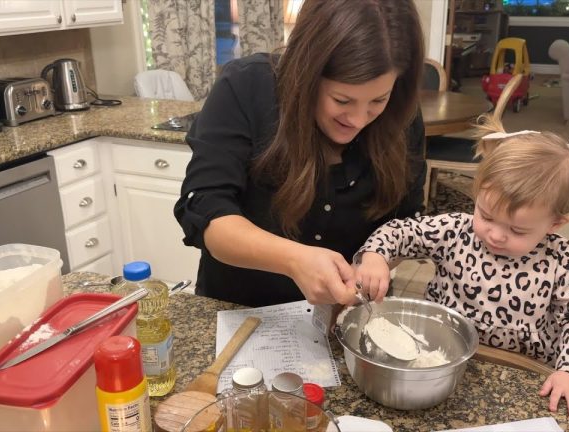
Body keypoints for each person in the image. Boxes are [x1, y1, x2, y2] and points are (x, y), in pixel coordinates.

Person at [353, 116, 569, 418]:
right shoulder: (456, 230)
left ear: (555, 223)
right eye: (487, 215)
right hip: (440, 362)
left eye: (517, 231)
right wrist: (375, 255)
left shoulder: (561, 258)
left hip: (522, 373)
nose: (495, 234)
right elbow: (401, 232)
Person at [174, 0, 428, 307]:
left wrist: (375, 262)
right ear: (306, 72)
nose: (359, 119)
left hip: (343, 316)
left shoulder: (402, 118)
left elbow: (406, 223)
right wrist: (295, 260)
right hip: (238, 308)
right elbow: (206, 209)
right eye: (343, 100)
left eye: (378, 100)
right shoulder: (245, 87)